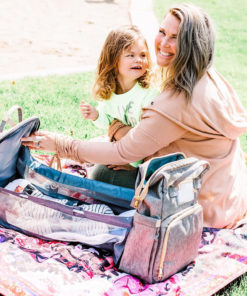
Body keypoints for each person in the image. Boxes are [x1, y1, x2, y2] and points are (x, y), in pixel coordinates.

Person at [22, 3, 247, 229]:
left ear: (192, 45)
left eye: (175, 38)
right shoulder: (210, 78)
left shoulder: (178, 100)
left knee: (101, 172)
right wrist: (124, 134)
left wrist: (62, 145)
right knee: (103, 147)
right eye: (162, 32)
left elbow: (122, 152)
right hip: (227, 195)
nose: (163, 43)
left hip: (199, 206)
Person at [79, 25, 159, 172]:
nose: (138, 60)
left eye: (143, 55)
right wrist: (95, 115)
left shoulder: (148, 94)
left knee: (99, 173)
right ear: (113, 60)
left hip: (144, 160)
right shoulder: (110, 93)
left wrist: (131, 165)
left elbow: (148, 139)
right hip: (123, 148)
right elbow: (107, 121)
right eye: (130, 55)